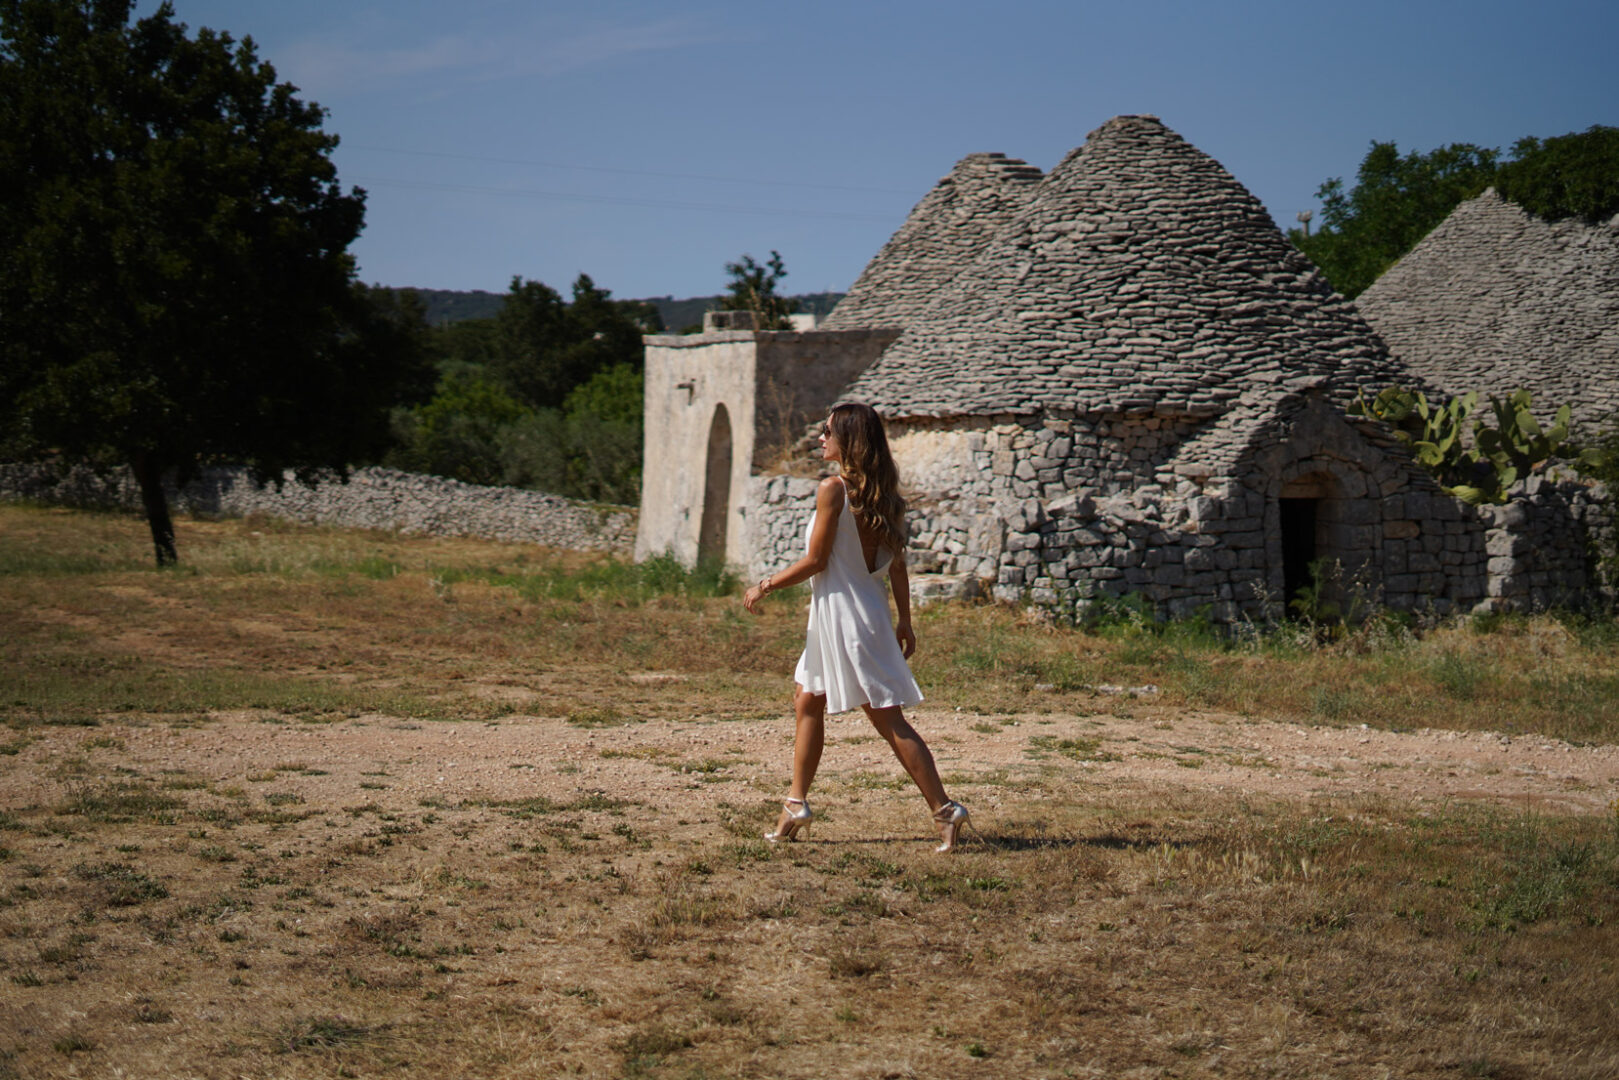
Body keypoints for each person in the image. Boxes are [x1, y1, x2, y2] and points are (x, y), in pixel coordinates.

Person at [743, 402, 969, 853]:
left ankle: (945, 809)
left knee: (888, 719)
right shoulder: (885, 496)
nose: (820, 437)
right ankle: (795, 803)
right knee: (807, 699)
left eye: (827, 431)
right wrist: (904, 620)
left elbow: (816, 560)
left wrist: (765, 585)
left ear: (848, 439)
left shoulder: (834, 489)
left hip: (847, 619)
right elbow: (898, 567)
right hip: (855, 613)